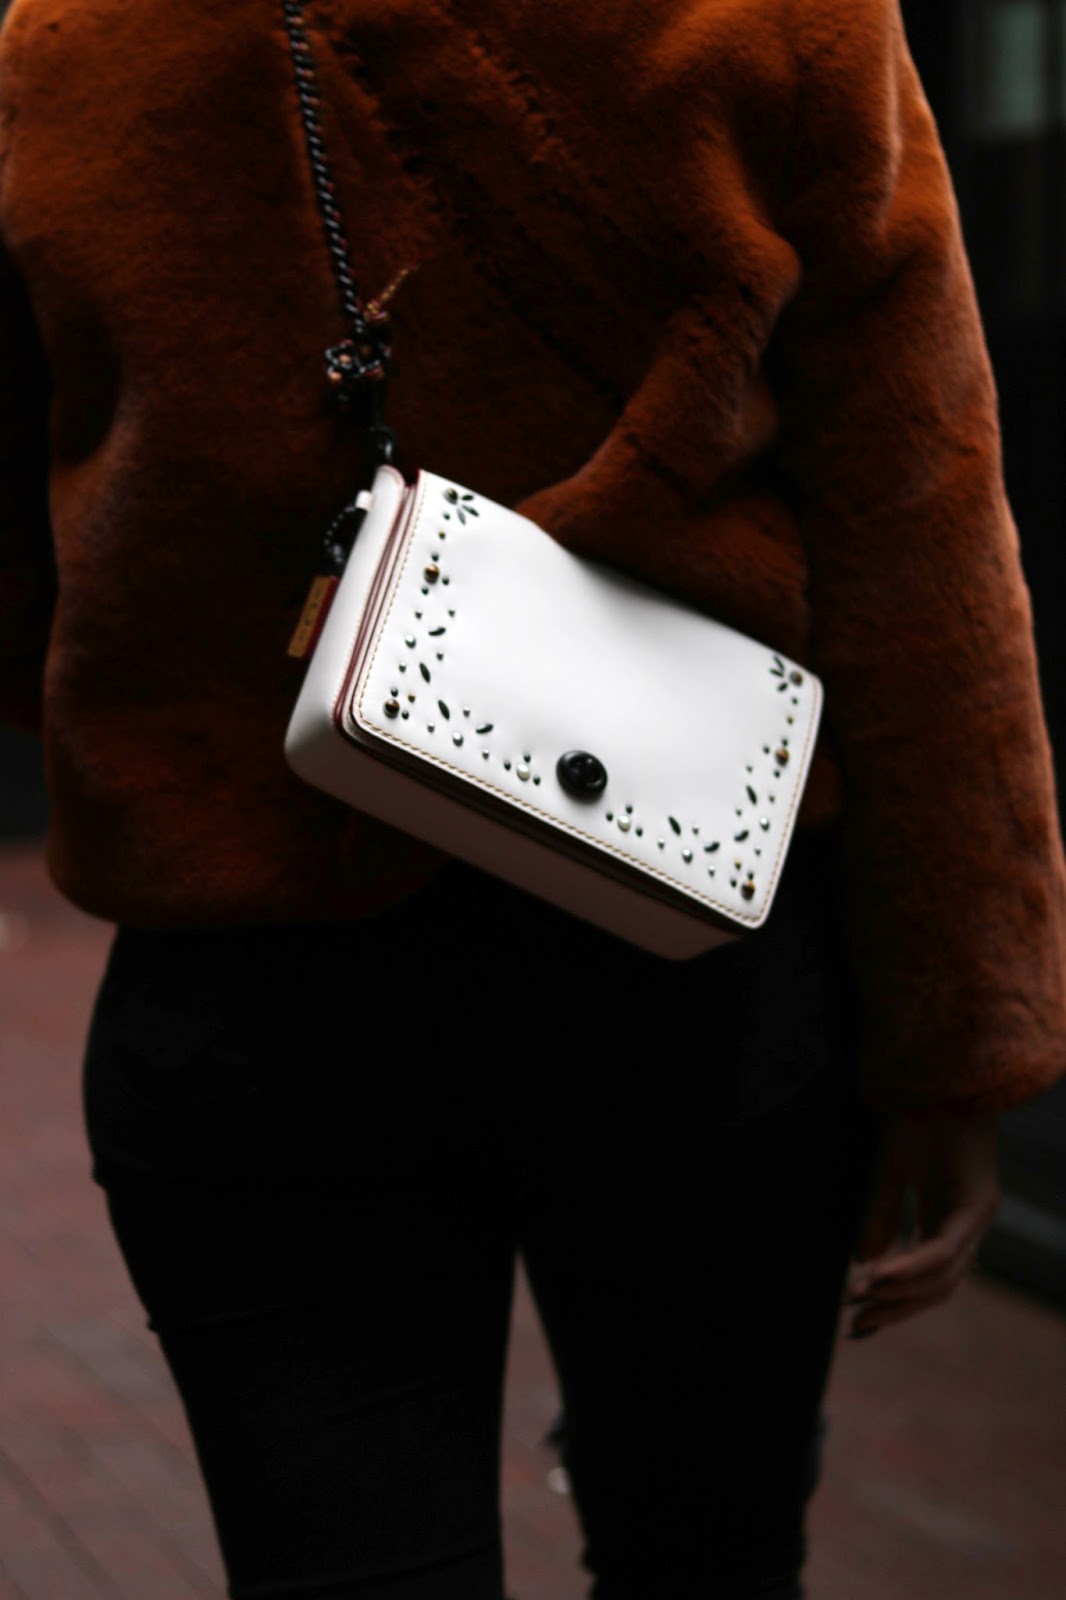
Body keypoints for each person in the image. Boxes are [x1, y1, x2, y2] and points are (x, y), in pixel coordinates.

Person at [1, 1, 1063, 1597]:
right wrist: (961, 1040)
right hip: (694, 948)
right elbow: (919, 527)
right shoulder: (792, 23)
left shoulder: (67, 39)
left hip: (260, 956)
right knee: (703, 1556)